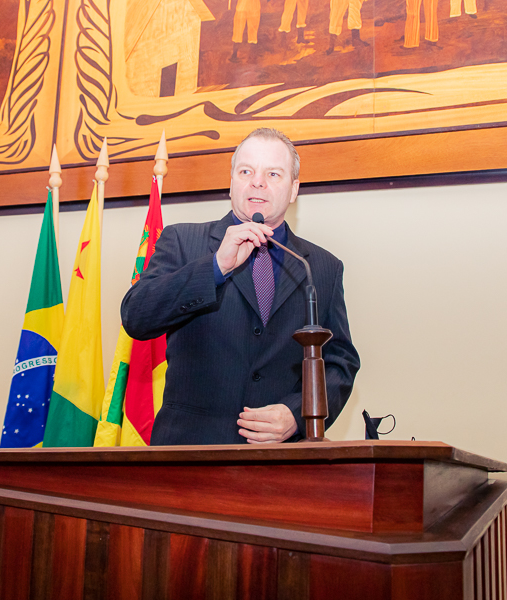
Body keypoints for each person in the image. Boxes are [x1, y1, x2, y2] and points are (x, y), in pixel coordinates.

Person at [121, 128, 360, 445]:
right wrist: (216, 266)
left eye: (273, 173)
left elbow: (340, 364)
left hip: (283, 465)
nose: (258, 182)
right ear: (232, 181)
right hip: (188, 458)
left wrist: (298, 414)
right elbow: (137, 316)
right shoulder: (181, 241)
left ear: (293, 189)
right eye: (246, 171)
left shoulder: (321, 266)